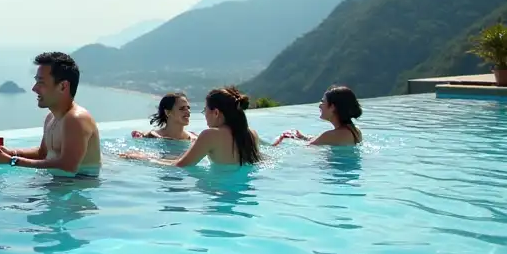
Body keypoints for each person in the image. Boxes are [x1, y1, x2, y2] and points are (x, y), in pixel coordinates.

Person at [0, 52, 101, 178]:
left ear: (63, 86)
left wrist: (11, 161)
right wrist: (11, 153)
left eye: (41, 82)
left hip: (78, 188)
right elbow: (42, 153)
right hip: (58, 185)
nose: (34, 88)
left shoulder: (76, 119)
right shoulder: (51, 118)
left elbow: (68, 167)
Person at [120, 86, 260, 167]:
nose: (204, 115)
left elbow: (180, 165)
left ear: (216, 112)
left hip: (220, 193)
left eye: (205, 110)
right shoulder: (252, 134)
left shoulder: (210, 135)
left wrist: (143, 158)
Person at [273, 85, 363, 146]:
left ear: (332, 107)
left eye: (323, 101)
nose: (320, 105)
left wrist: (287, 139)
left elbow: (306, 148)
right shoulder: (356, 131)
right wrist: (303, 137)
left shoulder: (330, 135)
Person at [131, 92, 197, 141]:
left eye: (188, 108)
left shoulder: (195, 139)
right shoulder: (151, 137)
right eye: (182, 108)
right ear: (168, 112)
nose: (188, 112)